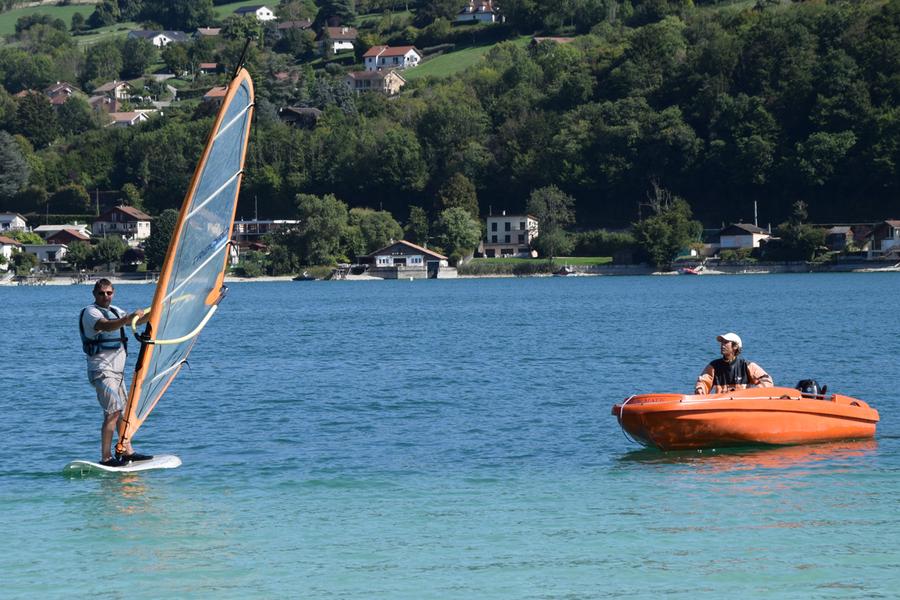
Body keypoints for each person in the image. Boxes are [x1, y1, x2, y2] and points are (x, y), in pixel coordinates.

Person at [80, 279, 151, 466]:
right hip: (102, 371)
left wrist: (152, 314)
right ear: (94, 294)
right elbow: (107, 326)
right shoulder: (91, 312)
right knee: (112, 411)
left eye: (109, 293)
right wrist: (128, 318)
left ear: (114, 293)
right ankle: (106, 457)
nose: (106, 297)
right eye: (102, 293)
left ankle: (127, 452)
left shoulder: (116, 310)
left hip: (118, 374)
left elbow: (135, 321)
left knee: (123, 413)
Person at [694, 332, 773, 395]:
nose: (722, 345)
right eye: (722, 342)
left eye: (726, 342)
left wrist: (753, 392)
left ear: (735, 347)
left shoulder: (746, 366)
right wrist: (700, 389)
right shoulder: (713, 366)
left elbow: (767, 381)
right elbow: (703, 382)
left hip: (742, 406)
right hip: (720, 405)